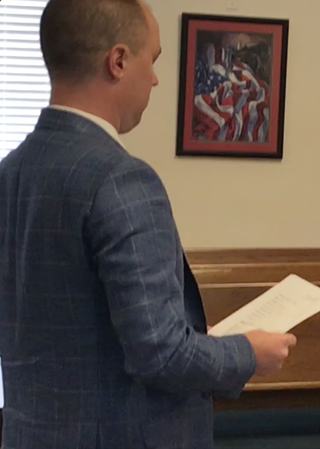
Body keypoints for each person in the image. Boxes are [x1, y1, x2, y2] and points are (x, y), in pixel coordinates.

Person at [0, 1, 296, 448]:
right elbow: (161, 353)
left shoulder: (10, 173)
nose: (156, 78)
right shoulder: (121, 179)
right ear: (118, 61)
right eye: (152, 60)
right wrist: (247, 353)